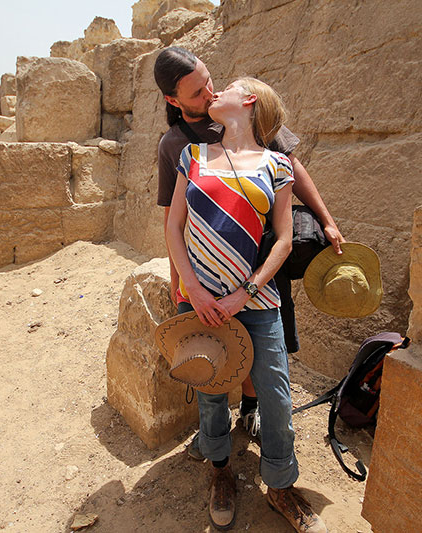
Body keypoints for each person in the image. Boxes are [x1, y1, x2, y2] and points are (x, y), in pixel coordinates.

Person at [153, 46, 344, 447]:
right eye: (197, 92)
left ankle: (253, 413)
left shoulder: (249, 119)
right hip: (206, 272)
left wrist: (325, 219)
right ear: (174, 101)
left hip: (260, 263)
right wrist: (182, 283)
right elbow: (174, 218)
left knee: (265, 353)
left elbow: (293, 168)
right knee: (216, 359)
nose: (209, 93)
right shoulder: (178, 147)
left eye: (209, 82)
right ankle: (217, 448)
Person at [165, 76, 327, 533]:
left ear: (249, 100)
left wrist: (246, 292)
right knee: (211, 387)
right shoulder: (191, 156)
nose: (214, 93)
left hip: (255, 300)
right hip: (199, 300)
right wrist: (194, 290)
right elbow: (174, 227)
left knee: (275, 393)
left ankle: (280, 485)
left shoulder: (277, 165)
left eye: (228, 87)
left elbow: (284, 240)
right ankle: (219, 472)